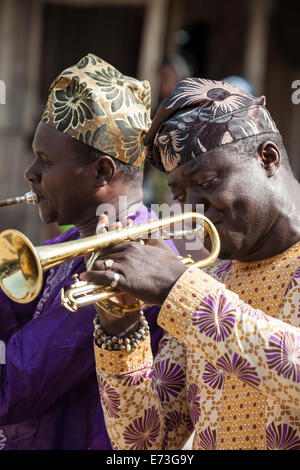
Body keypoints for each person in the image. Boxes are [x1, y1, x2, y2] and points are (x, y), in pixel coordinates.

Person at [88, 78, 300, 450]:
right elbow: (146, 446)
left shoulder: (194, 293)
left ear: (267, 158)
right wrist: (119, 325)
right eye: (180, 194)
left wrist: (178, 289)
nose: (191, 208)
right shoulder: (211, 280)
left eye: (207, 181)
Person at [0, 53, 173, 450]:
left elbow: (14, 386)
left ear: (101, 172)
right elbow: (10, 306)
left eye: (45, 161)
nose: (31, 174)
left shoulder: (125, 267)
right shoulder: (71, 244)